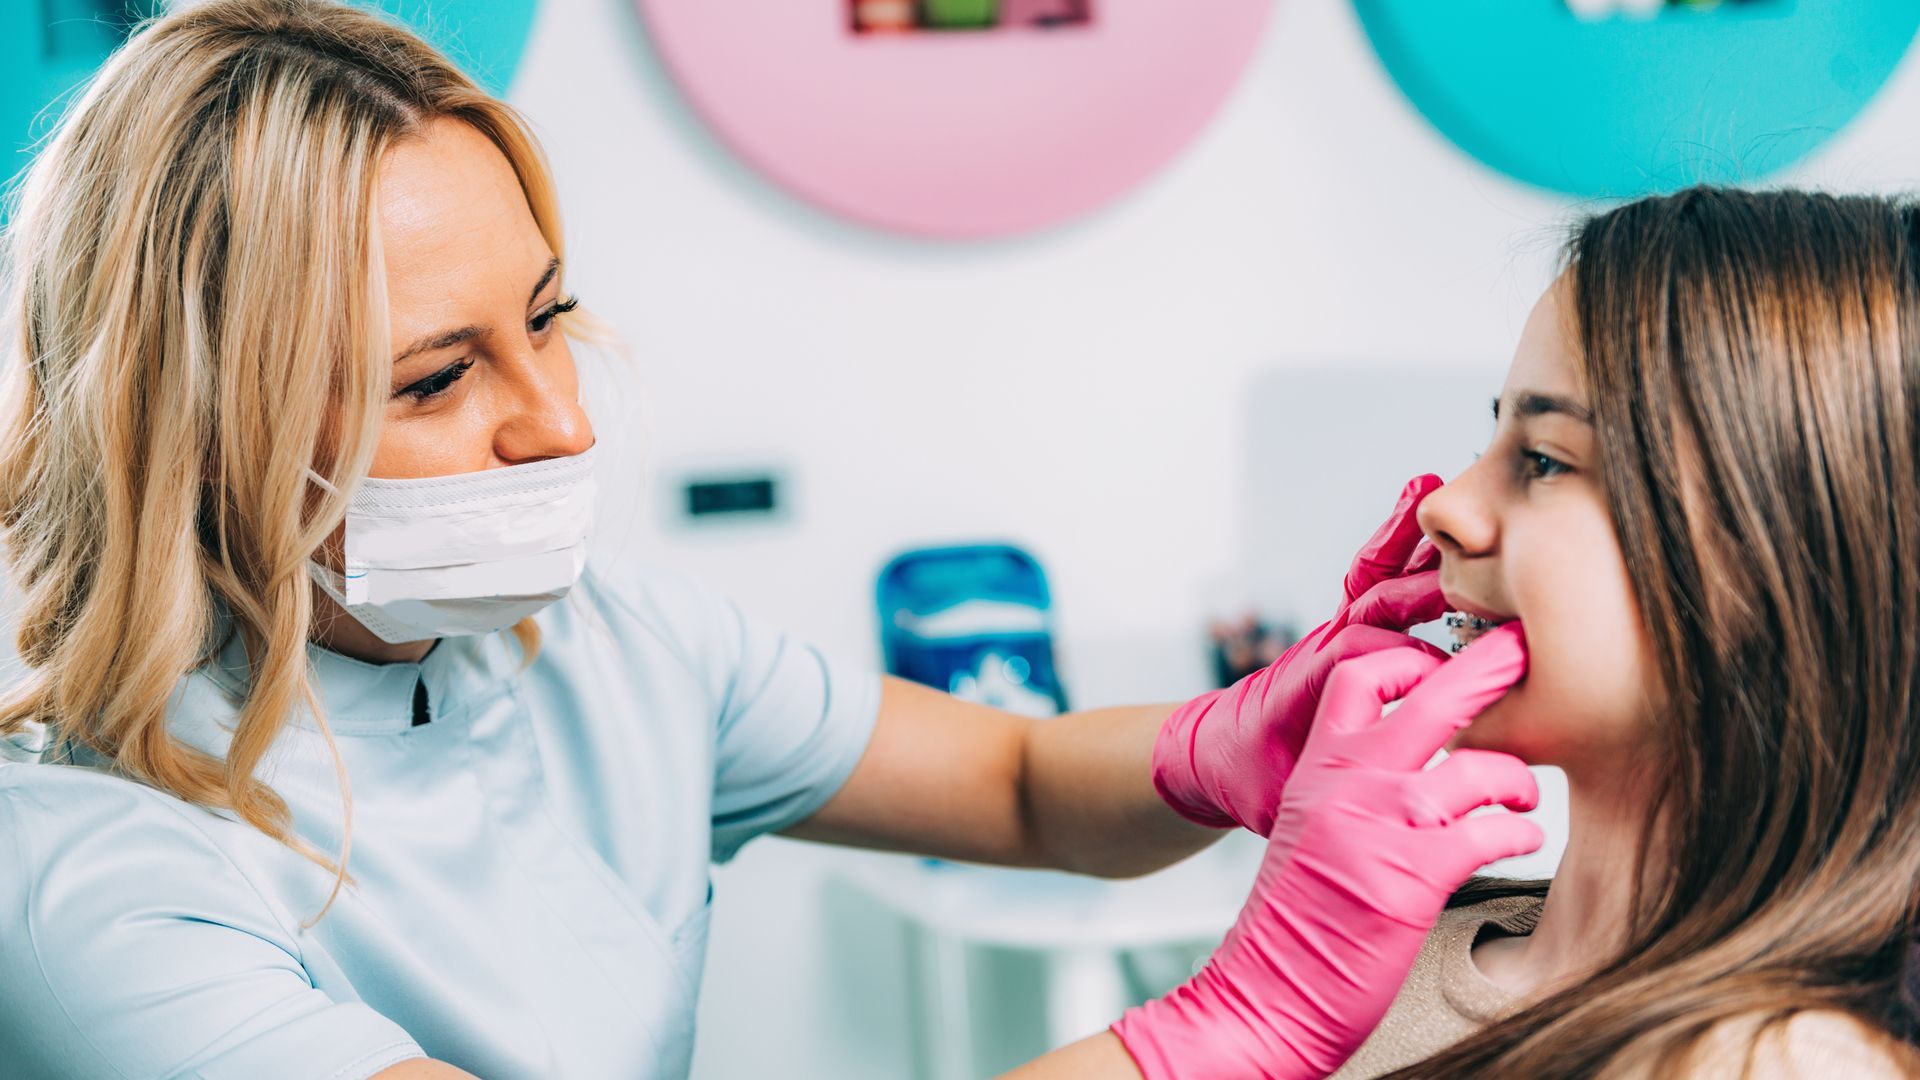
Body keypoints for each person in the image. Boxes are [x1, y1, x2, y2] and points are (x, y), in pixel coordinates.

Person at [0, 3, 1532, 1076]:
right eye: (440, 377)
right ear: (189, 432)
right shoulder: (85, 871)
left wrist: (1229, 743)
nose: (565, 424)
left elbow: (1014, 781)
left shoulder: (601, 650)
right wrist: (1240, 1021)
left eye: (548, 323)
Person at [1215, 188, 1920, 1078]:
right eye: (1496, 434)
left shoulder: (1776, 1064)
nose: (1445, 506)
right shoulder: (1396, 949)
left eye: (1544, 460)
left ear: (1789, 559)